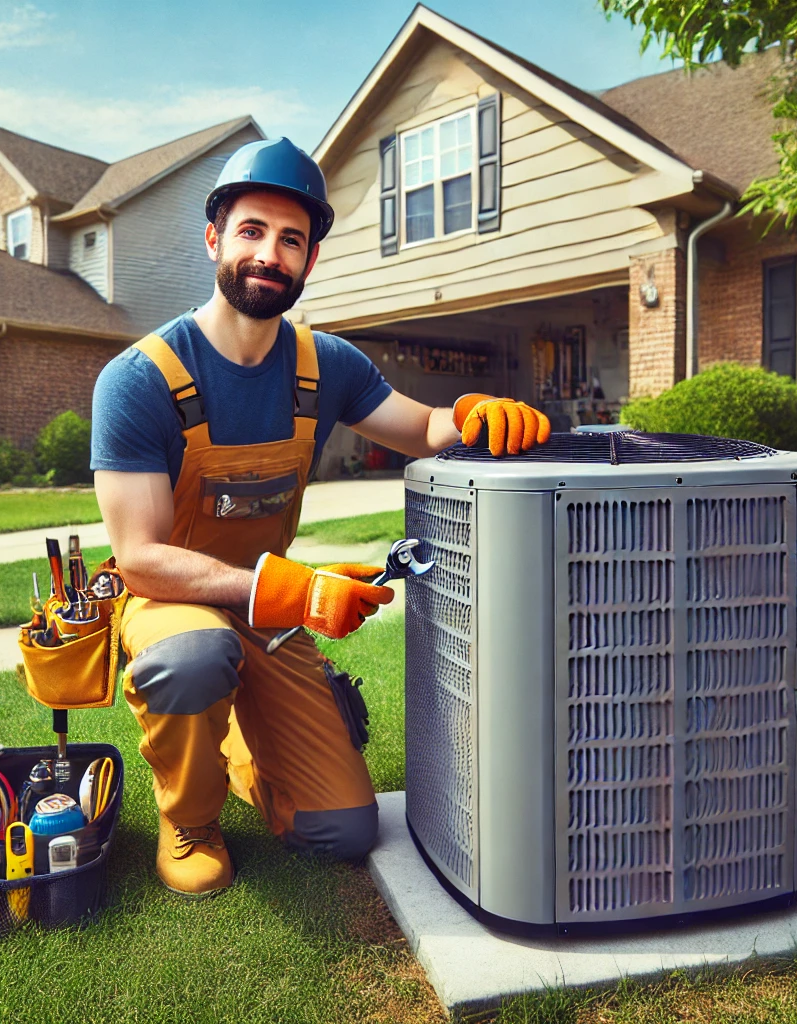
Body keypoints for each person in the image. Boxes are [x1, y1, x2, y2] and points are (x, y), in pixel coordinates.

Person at [91, 137, 549, 897]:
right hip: (173, 607)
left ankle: (237, 742)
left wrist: (472, 413)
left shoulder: (324, 364)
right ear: (214, 238)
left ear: (309, 260)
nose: (270, 253)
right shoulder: (141, 380)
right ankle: (190, 817)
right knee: (196, 655)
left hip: (268, 611)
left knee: (339, 829)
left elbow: (422, 428)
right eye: (252, 230)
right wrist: (298, 594)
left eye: (292, 240)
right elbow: (139, 558)